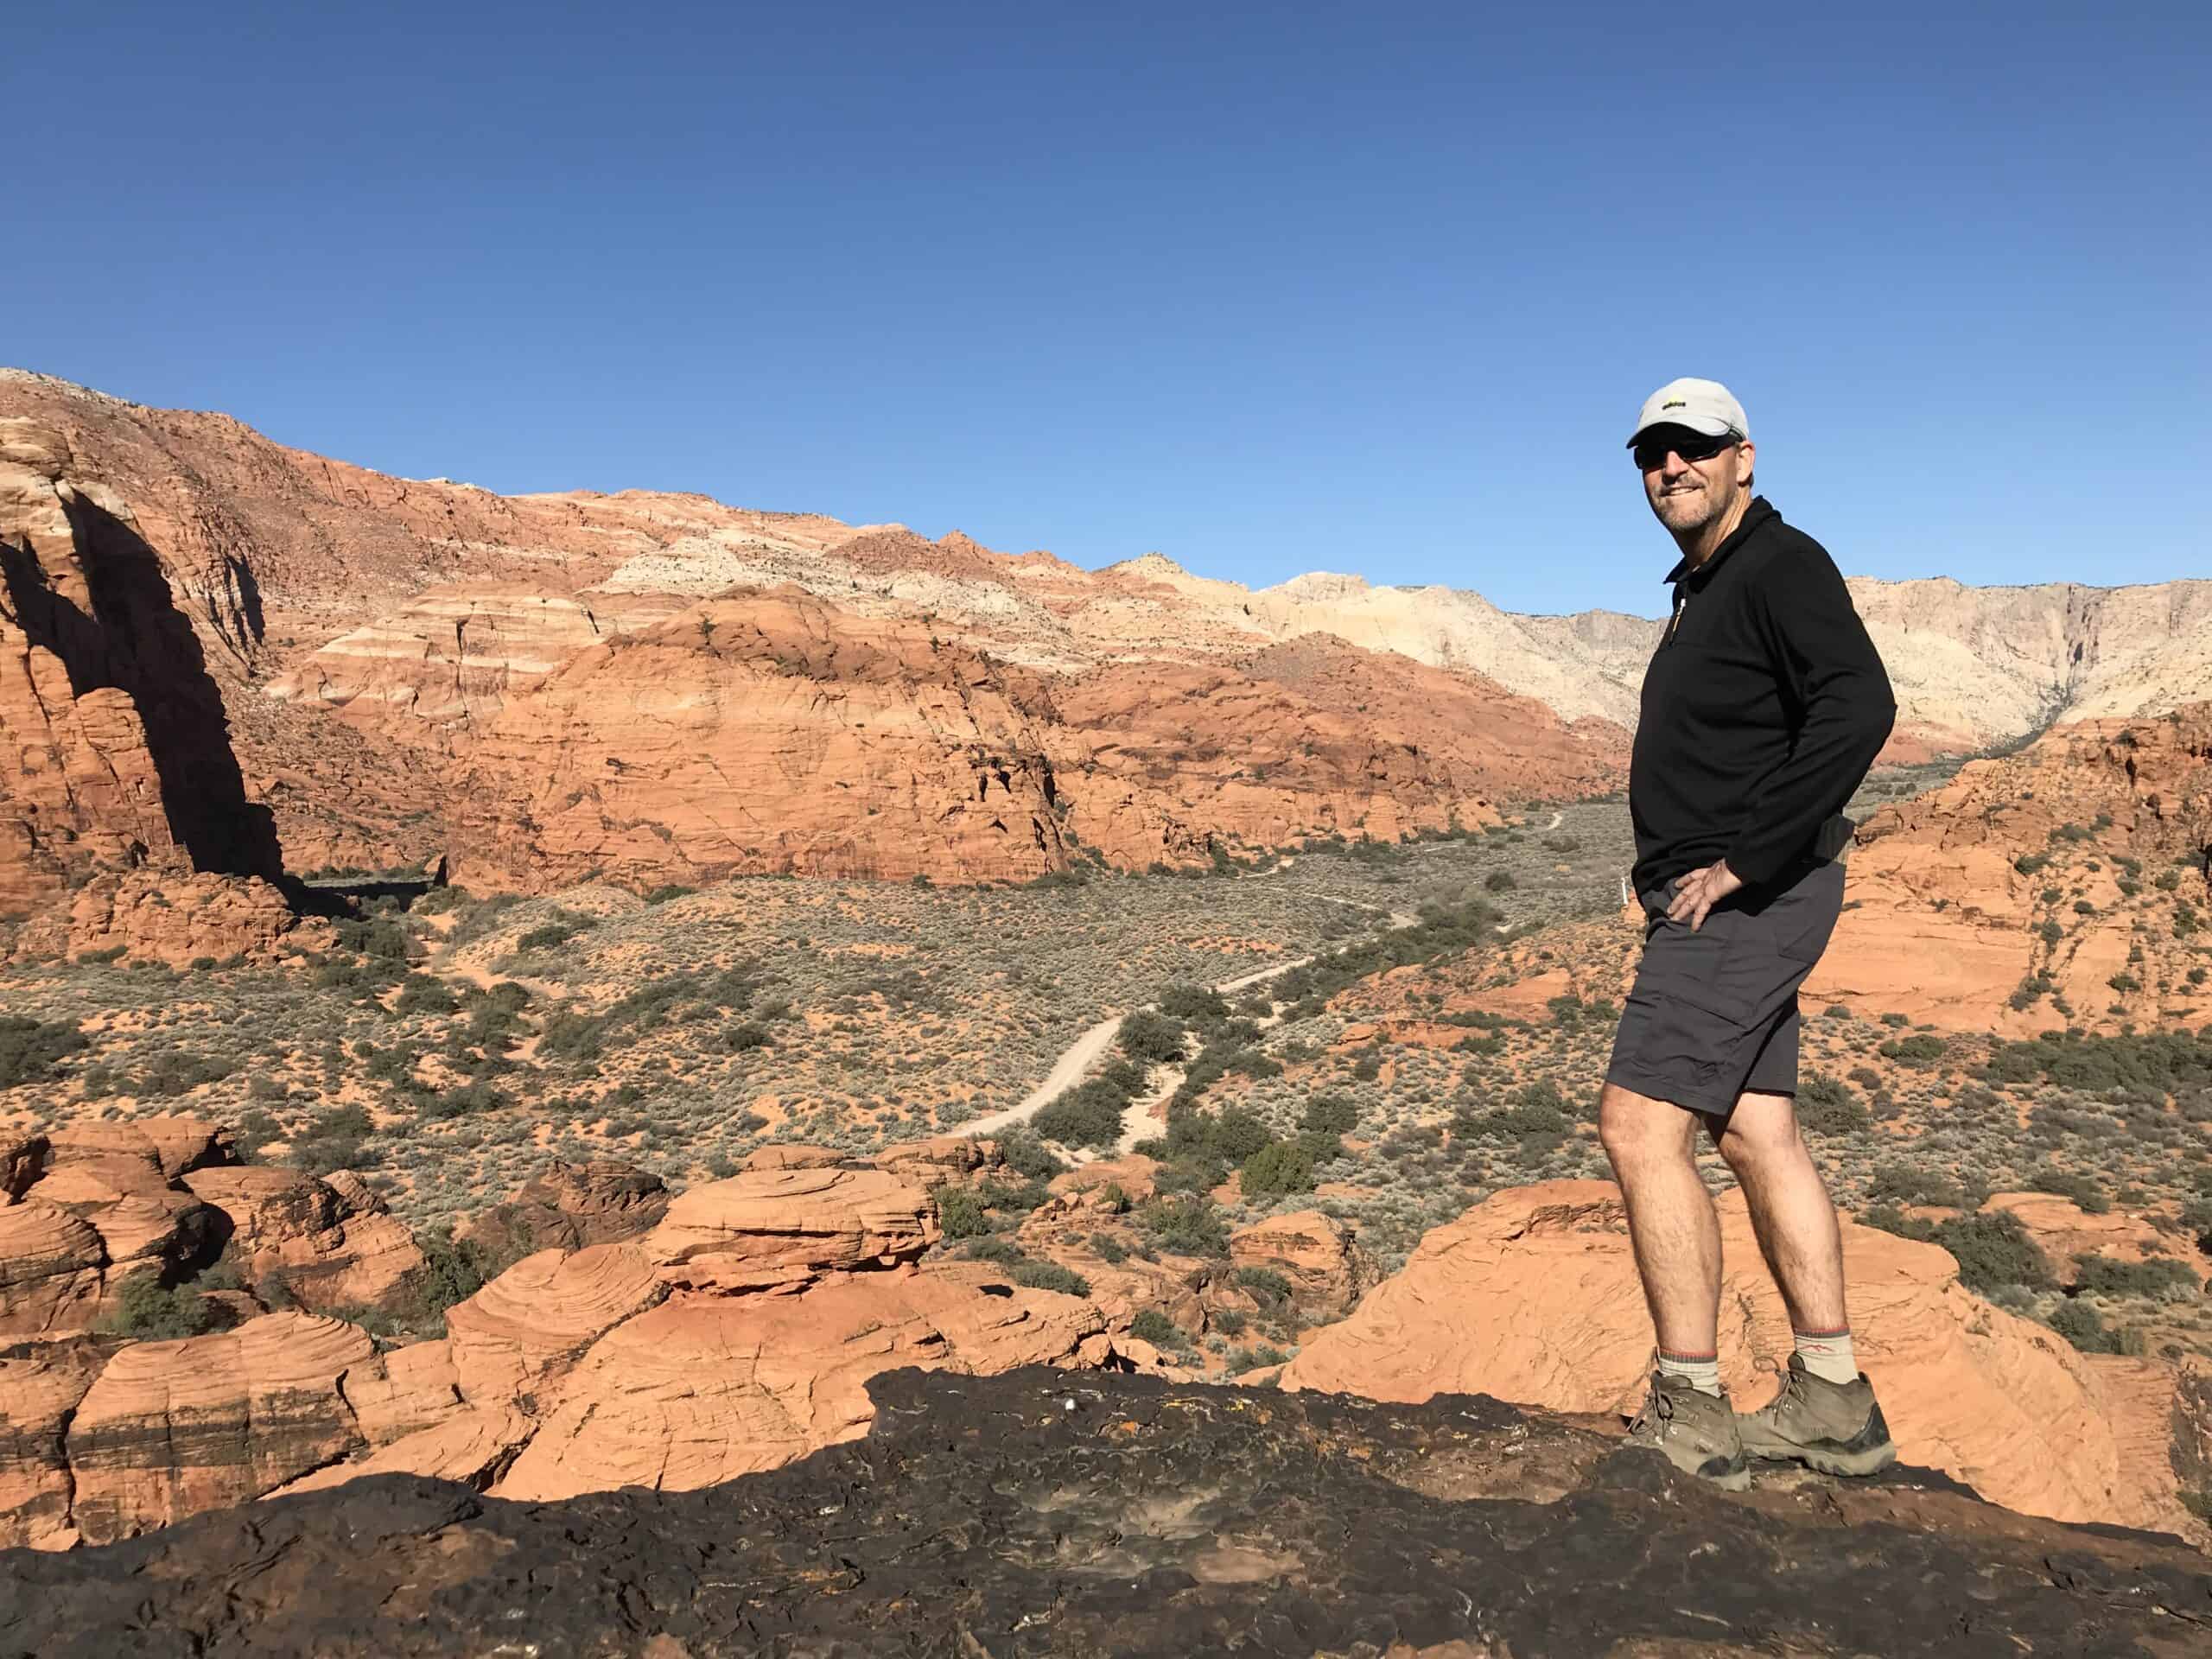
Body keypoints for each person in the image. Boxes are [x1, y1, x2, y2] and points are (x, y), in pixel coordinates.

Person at [1600, 378, 1898, 1489]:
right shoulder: (1708, 581)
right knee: (1754, 1130)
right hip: (1731, 897)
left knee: (1637, 1126)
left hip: (1744, 903)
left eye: (1692, 448)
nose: (1669, 467)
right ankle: (1832, 1399)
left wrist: (1740, 861)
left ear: (1744, 457)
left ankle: (1690, 1403)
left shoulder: (1779, 564)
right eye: (1652, 453)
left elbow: (1859, 705)